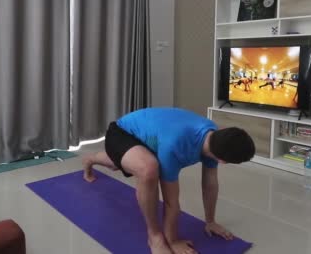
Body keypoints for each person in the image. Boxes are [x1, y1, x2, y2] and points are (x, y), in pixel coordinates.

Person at [82, 107, 255, 254]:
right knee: (149, 169)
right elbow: (171, 203)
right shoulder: (175, 146)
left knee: (120, 163)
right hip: (121, 132)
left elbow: (210, 185)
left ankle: (90, 159)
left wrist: (210, 221)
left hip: (150, 136)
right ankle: (154, 236)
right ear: (223, 161)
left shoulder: (213, 139)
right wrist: (172, 240)